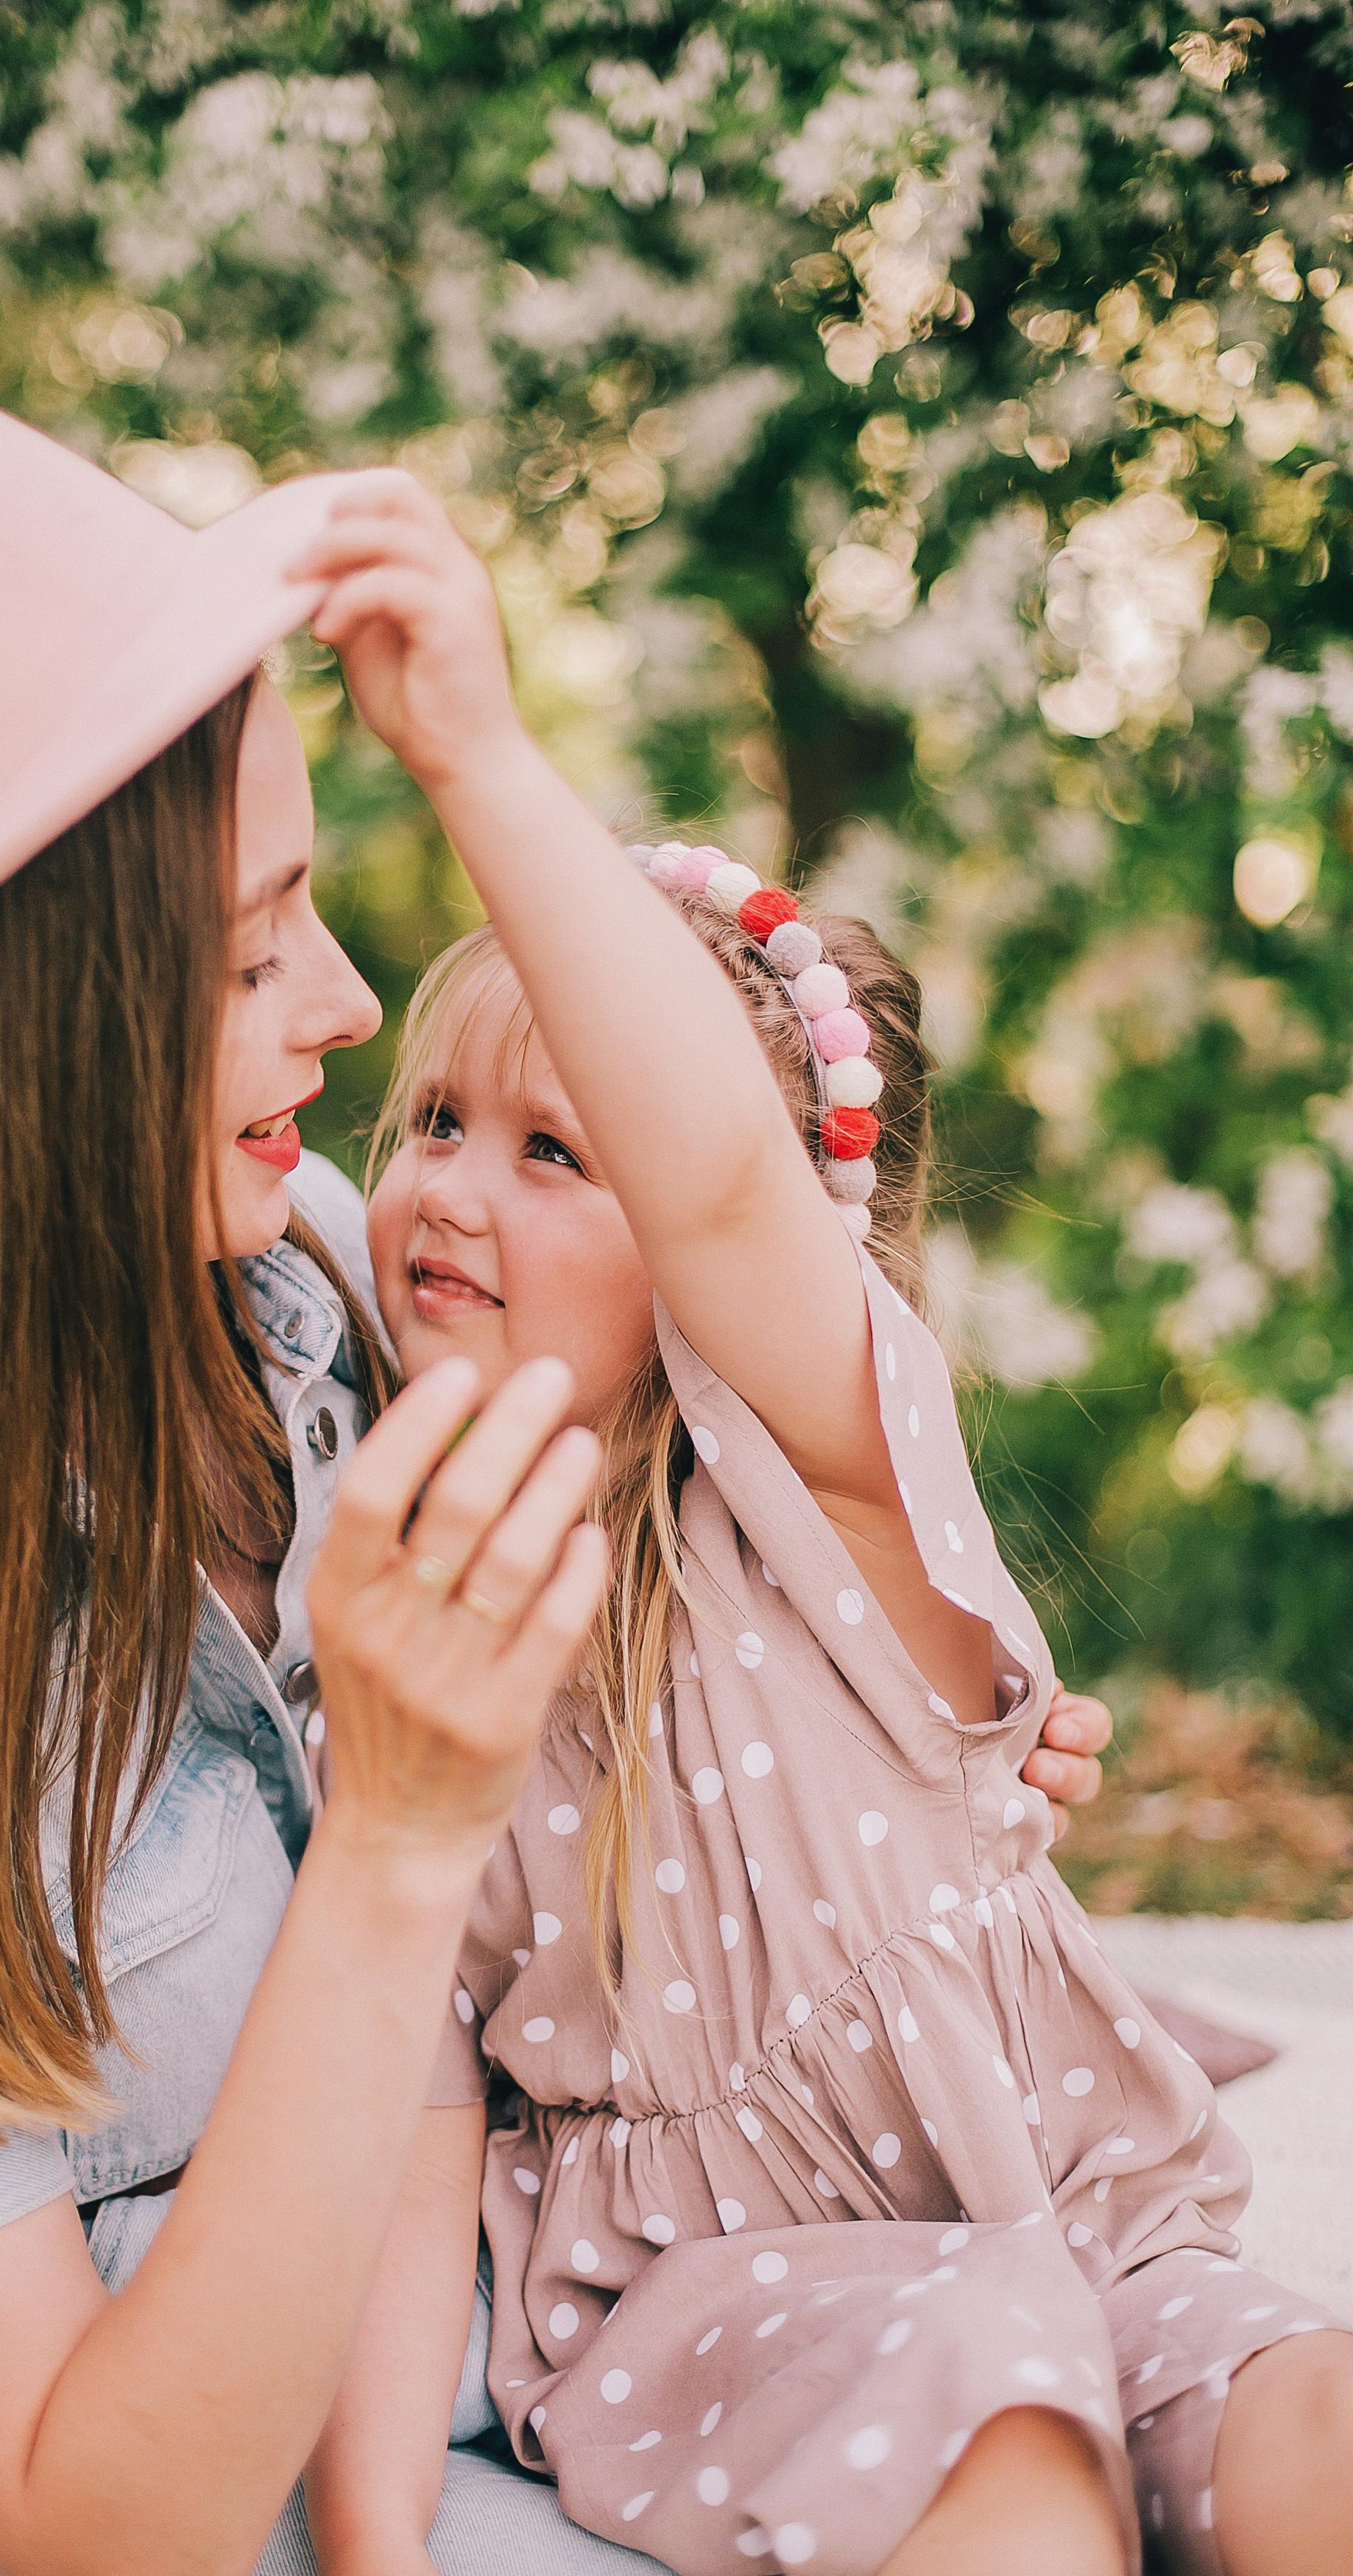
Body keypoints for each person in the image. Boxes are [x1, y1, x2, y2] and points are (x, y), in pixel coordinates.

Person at [0, 369, 1108, 2576]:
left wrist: (880, 1725)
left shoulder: (320, 1286)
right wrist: (398, 1838)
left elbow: (720, 1289)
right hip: (188, 2521)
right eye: (249, 952)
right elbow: (106, 2524)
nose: (342, 1007)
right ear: (15, 1043)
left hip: (511, 2382)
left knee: (1056, 2425)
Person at [287, 474, 1353, 2576]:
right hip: (719, 2309)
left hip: (1081, 2230)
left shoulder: (829, 1496)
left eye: (554, 1150)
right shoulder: (395, 1633)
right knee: (1000, 2409)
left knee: (1313, 2412)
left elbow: (715, 1187)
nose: (448, 1189)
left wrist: (477, 752)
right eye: (435, 1123)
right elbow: (409, 2115)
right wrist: (376, 2534)